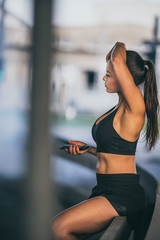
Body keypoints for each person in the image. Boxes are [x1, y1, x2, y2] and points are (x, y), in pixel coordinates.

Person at [51, 42, 159, 240]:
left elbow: (117, 57)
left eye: (109, 74)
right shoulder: (118, 108)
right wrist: (88, 150)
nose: (103, 78)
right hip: (105, 188)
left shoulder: (135, 107)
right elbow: (117, 149)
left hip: (122, 192)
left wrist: (119, 45)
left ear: (124, 76)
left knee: (59, 227)